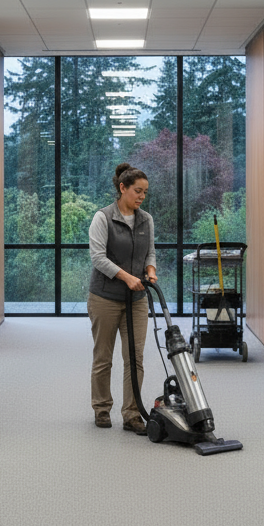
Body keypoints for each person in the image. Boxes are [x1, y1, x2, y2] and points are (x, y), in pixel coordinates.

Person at [87, 162, 157, 433]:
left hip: (137, 300)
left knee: (135, 357)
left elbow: (150, 251)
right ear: (122, 188)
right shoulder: (103, 217)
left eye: (145, 192)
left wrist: (150, 269)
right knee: (103, 356)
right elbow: (98, 258)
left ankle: (131, 413)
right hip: (105, 297)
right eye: (137, 191)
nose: (141, 196)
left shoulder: (146, 220)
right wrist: (127, 277)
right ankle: (102, 408)